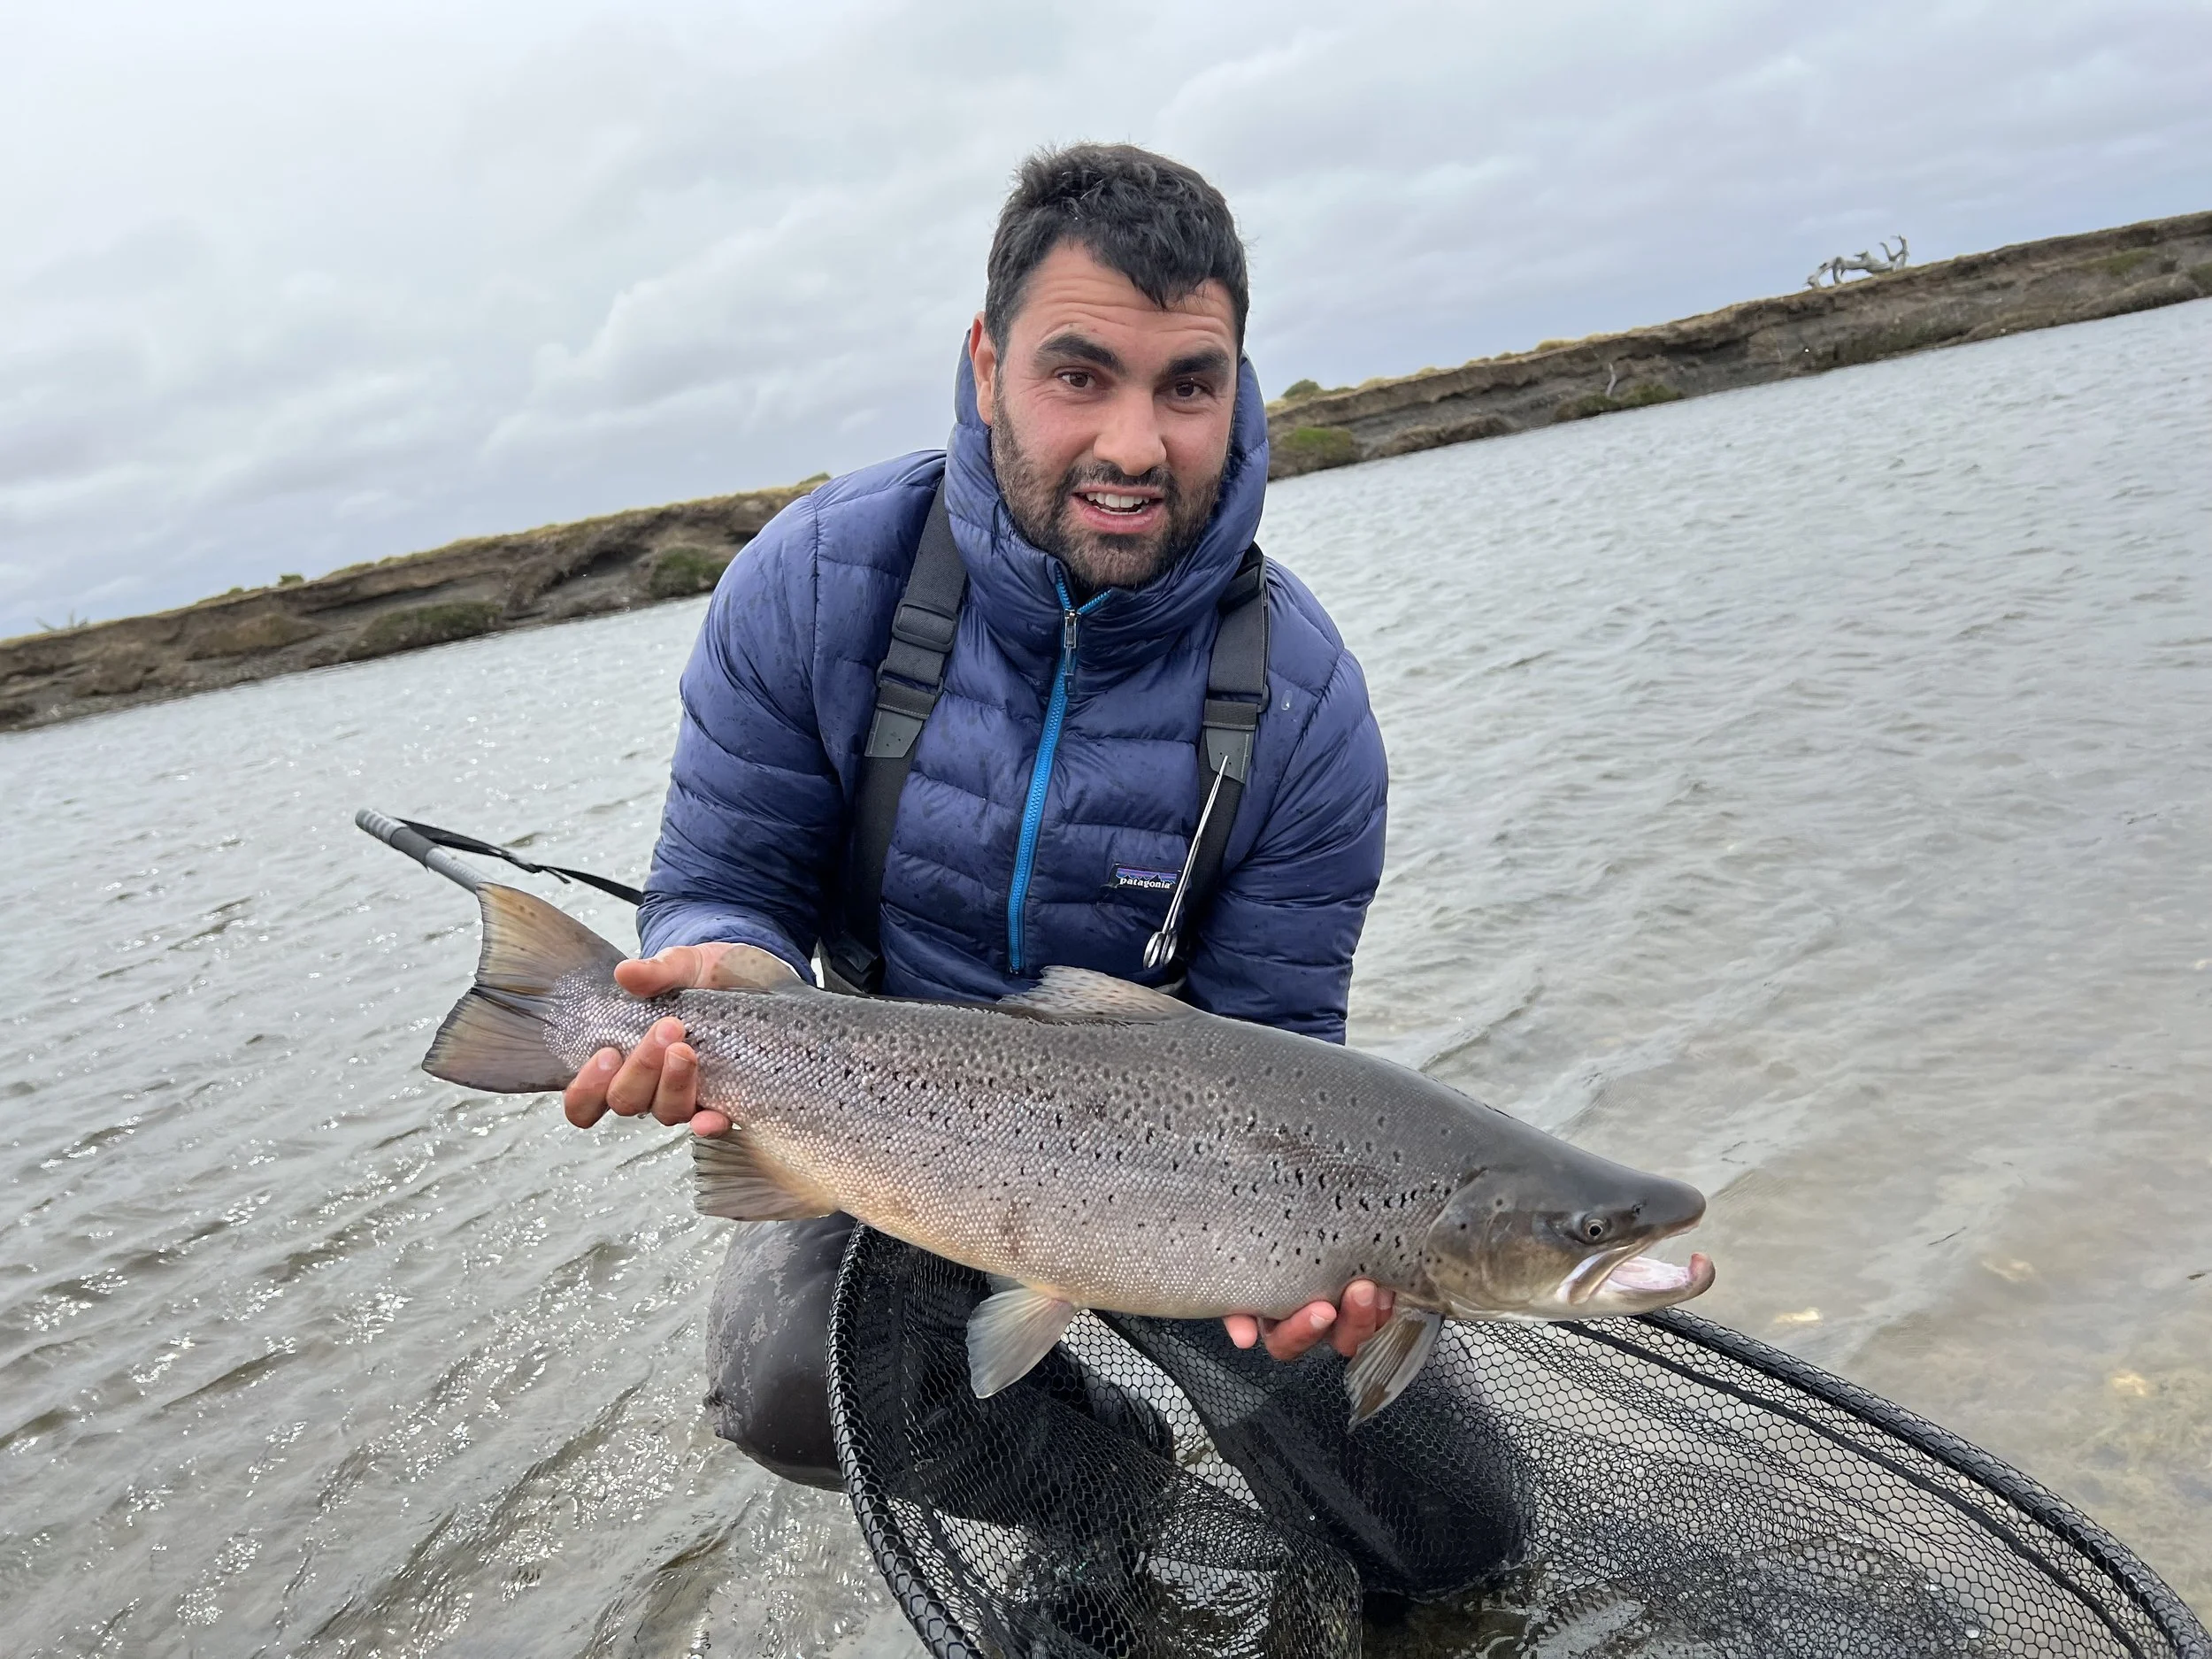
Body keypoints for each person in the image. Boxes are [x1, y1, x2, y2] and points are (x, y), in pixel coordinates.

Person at [559, 143, 1393, 1490]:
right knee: (784, 1387)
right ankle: (1109, 1496)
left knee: (1436, 1489)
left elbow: (1281, 1051)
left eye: (1189, 386)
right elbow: (726, 878)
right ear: (985, 359)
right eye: (1080, 374)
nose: (1136, 444)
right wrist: (728, 964)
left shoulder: (1308, 707)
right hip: (885, 1134)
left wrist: (1312, 1262)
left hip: (1180, 1178)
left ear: (1236, 383)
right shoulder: (819, 581)